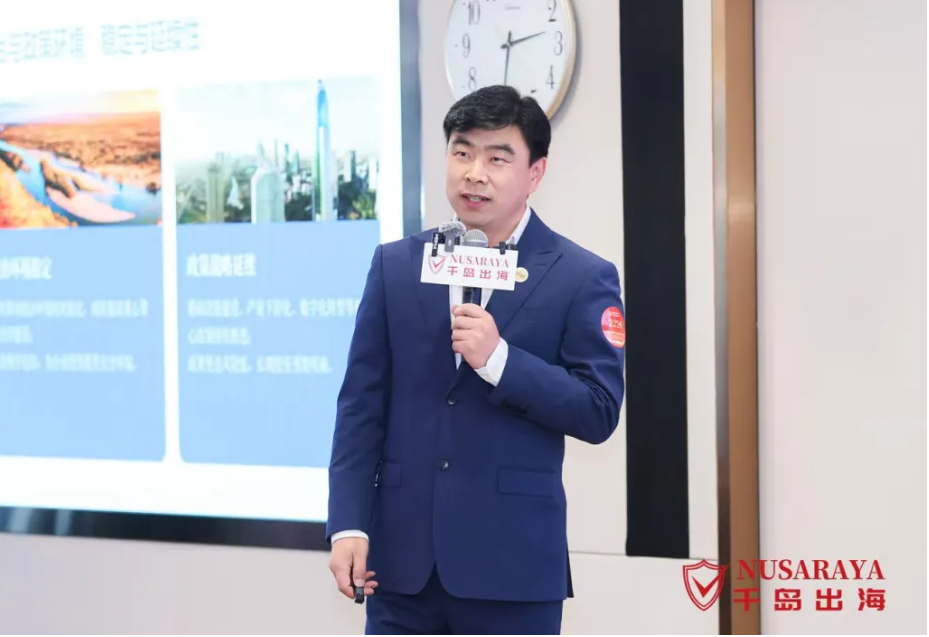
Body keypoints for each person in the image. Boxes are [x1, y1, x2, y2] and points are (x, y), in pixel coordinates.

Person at [327, 85, 626, 635]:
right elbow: (360, 407)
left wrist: (500, 360)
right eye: (462, 152)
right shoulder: (396, 265)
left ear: (535, 172)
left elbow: (598, 409)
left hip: (512, 567)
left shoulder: (581, 275)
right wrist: (348, 524)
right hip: (402, 570)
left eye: (497, 158)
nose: (474, 173)